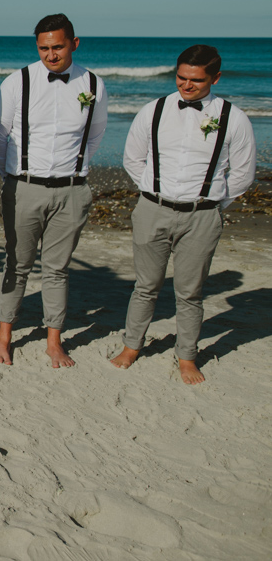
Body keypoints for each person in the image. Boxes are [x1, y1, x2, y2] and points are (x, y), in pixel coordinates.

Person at [110, 45, 255, 384]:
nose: (186, 86)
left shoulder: (234, 118)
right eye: (181, 77)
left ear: (215, 78)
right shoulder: (153, 110)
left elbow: (243, 175)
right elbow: (133, 159)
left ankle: (187, 356)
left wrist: (213, 206)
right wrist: (152, 193)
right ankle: (132, 346)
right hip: (152, 210)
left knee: (190, 291)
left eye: (196, 80)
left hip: (202, 216)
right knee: (146, 285)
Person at [0, 14, 109, 368]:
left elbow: (95, 134)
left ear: (74, 43)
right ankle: (3, 337)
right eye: (44, 48)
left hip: (72, 191)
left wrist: (74, 172)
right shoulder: (16, 82)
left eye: (57, 47)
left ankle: (54, 341)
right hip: (24, 187)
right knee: (18, 263)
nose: (51, 55)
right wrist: (13, 178)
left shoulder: (94, 84)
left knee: (58, 268)